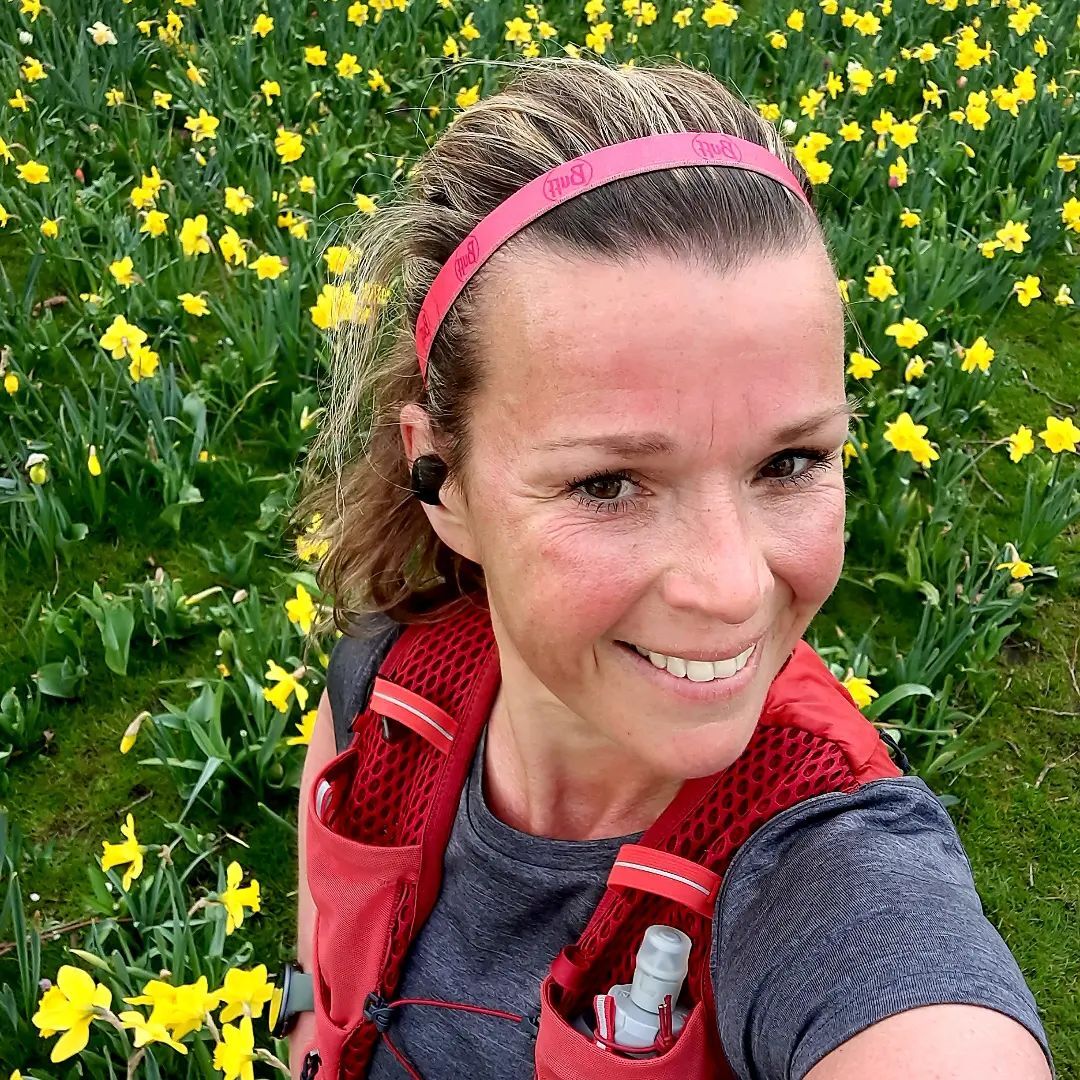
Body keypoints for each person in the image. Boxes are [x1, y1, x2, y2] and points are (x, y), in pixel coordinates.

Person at [286, 56, 1055, 1080]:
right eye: (609, 484)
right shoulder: (382, 689)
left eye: (790, 463)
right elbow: (321, 979)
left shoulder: (830, 881)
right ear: (443, 480)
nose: (733, 589)